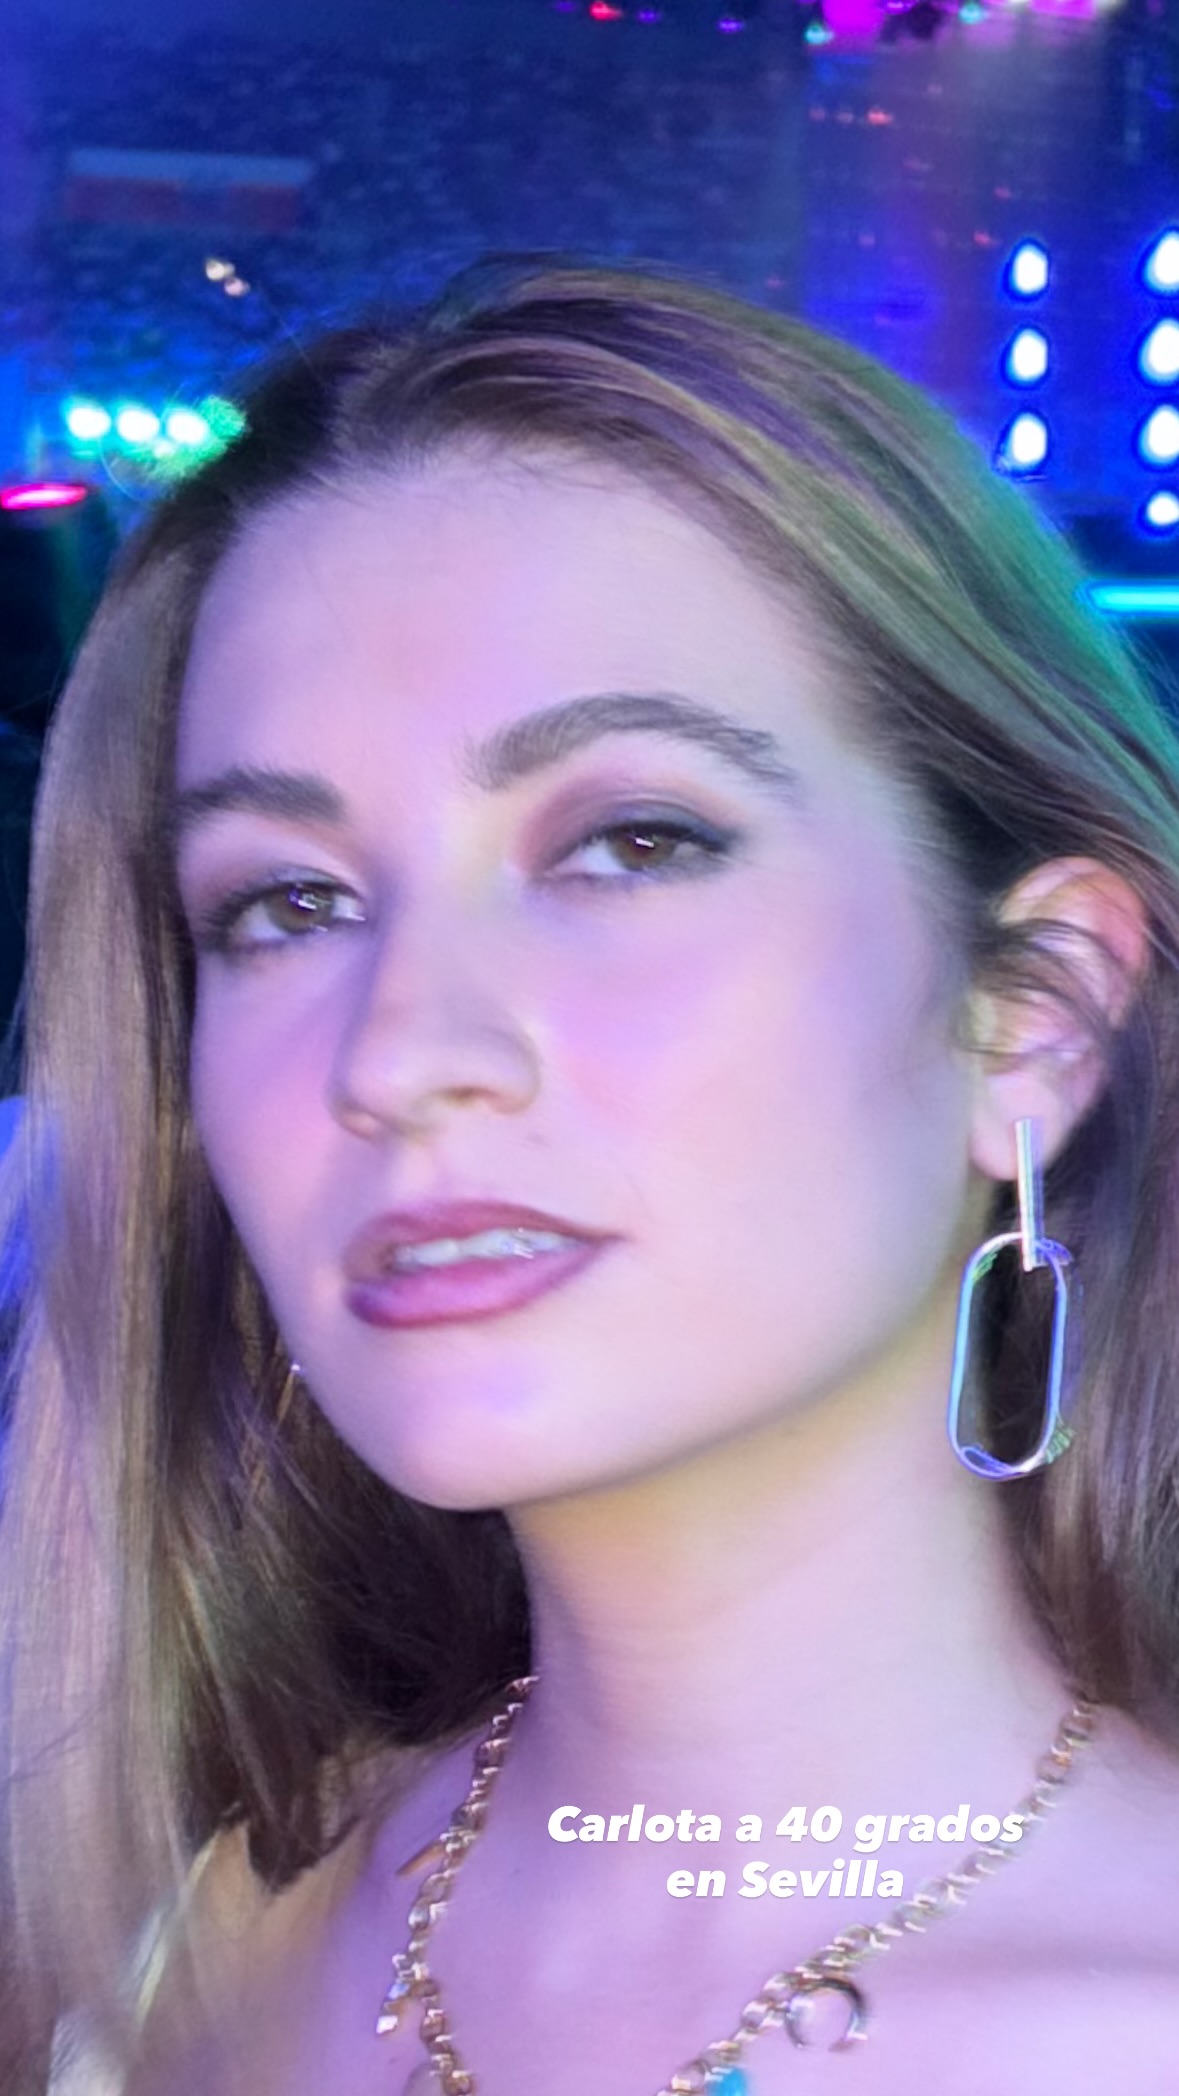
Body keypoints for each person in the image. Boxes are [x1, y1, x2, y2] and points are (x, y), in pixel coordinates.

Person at [3, 258, 1179, 2096]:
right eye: (287, 903)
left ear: (1032, 1011)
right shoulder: (190, 1945)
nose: (397, 1055)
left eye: (630, 843)